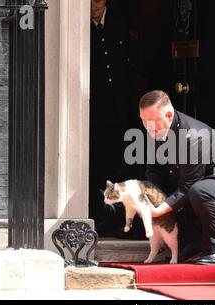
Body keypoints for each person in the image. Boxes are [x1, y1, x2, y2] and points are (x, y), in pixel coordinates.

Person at [139, 90, 215, 265]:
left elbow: (189, 185)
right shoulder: (155, 130)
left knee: (200, 191)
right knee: (169, 190)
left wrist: (158, 210)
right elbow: (154, 171)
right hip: (197, 184)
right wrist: (150, 198)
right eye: (143, 121)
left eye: (151, 121)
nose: (147, 127)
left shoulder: (194, 136)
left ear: (168, 115)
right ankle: (194, 244)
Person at [89, 0, 131, 237]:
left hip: (118, 111)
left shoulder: (120, 26)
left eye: (96, 0)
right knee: (96, 165)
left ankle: (119, 220)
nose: (92, 6)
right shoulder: (84, 29)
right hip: (94, 111)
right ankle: (99, 216)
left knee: (119, 166)